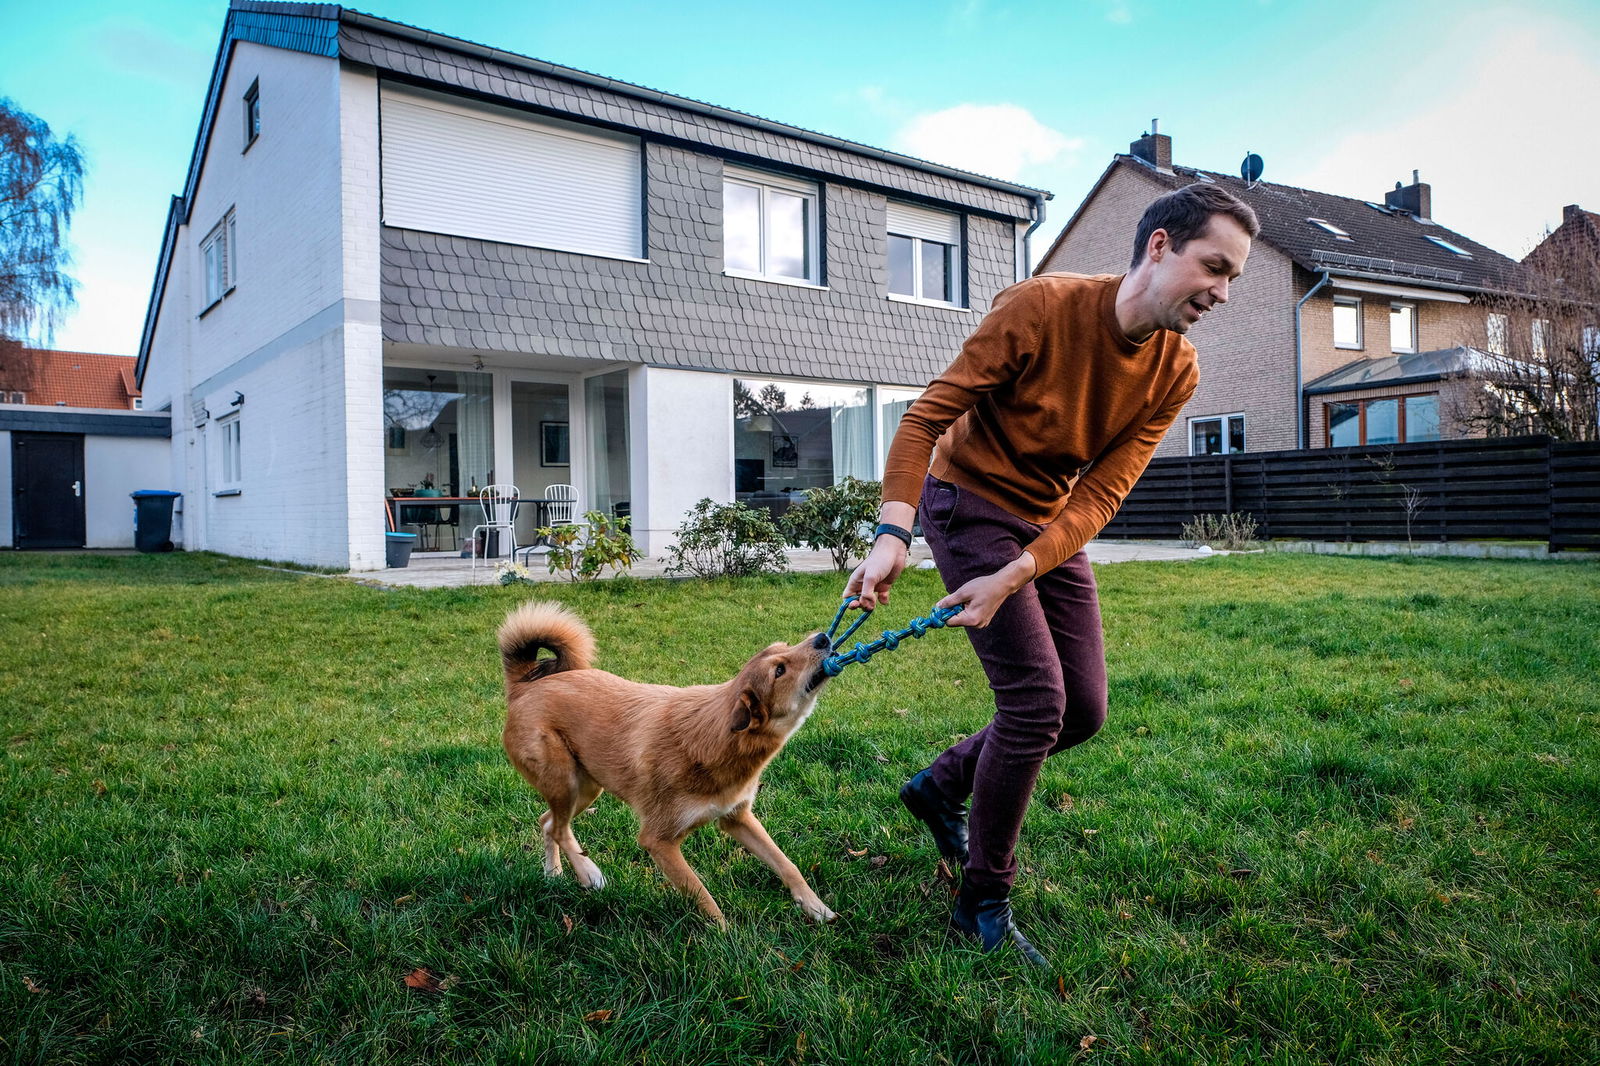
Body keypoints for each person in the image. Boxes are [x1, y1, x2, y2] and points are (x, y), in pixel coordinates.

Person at [846, 183, 1258, 966]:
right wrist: (893, 531)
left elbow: (1103, 489)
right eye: (1215, 267)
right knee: (1036, 704)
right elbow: (925, 417)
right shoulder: (1040, 307)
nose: (1223, 292)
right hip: (966, 501)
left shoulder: (1177, 369)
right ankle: (982, 902)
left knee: (1085, 711)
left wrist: (1024, 569)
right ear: (1161, 246)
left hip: (1046, 520)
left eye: (1233, 277)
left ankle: (938, 787)